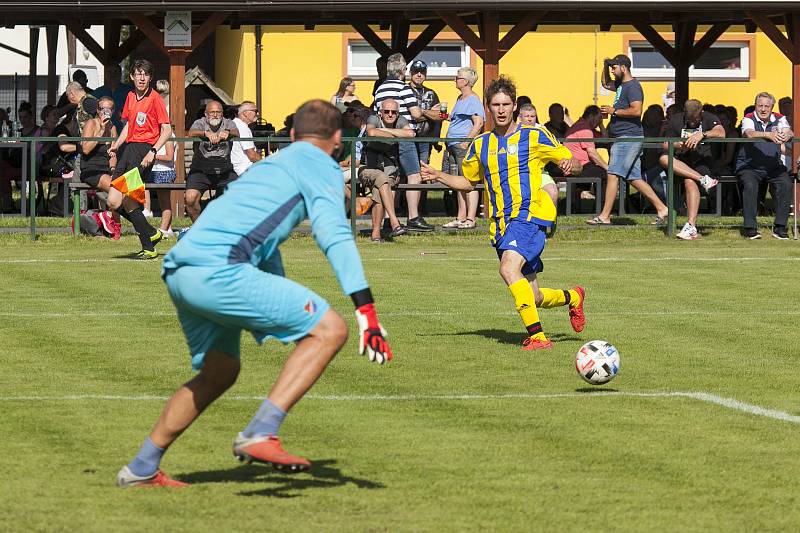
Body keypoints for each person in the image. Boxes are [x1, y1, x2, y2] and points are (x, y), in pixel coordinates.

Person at [116, 99, 393, 488]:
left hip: (181, 269)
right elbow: (335, 235)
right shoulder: (325, 168)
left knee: (220, 371)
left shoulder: (269, 165)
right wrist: (367, 313)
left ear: (293, 135)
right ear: (336, 140)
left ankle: (142, 467)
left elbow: (262, 243)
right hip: (220, 270)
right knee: (331, 330)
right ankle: (262, 432)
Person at [420, 77, 586, 351]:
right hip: (501, 224)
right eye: (495, 105)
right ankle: (573, 297)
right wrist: (438, 175)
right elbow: (468, 182)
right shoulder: (480, 144)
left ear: (514, 107)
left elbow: (574, 162)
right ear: (487, 107)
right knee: (534, 295)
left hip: (530, 215)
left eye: (506, 104)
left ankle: (537, 337)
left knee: (508, 268)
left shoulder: (534, 135)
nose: (500, 110)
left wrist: (571, 164)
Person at [589, 54, 669, 225]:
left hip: (628, 138)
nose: (612, 70)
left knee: (612, 173)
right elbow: (605, 83)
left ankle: (604, 216)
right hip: (622, 137)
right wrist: (605, 64)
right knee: (634, 178)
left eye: (614, 67)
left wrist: (614, 112)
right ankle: (662, 208)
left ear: (623, 68)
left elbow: (636, 111)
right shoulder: (620, 85)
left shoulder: (633, 87)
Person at [108, 59, 172, 260]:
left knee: (128, 201)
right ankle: (151, 234)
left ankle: (149, 245)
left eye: (146, 74)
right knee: (113, 201)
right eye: (138, 73)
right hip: (128, 151)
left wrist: (152, 151)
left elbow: (167, 130)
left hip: (143, 152)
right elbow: (129, 126)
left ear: (150, 78)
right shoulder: (129, 96)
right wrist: (117, 144)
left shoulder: (155, 99)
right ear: (132, 76)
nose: (142, 77)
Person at [373, 53, 442, 232]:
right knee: (414, 175)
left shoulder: (380, 89)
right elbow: (416, 114)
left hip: (386, 139)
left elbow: (376, 112)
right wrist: (427, 111)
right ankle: (413, 216)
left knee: (392, 177)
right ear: (403, 70)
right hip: (405, 136)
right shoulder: (404, 88)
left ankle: (390, 217)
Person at [659, 99, 725, 240]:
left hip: (702, 162)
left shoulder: (709, 118)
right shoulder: (676, 120)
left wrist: (702, 134)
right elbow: (665, 144)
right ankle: (703, 180)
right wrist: (677, 145)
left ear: (701, 113)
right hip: (681, 163)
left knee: (689, 181)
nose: (693, 122)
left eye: (695, 119)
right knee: (663, 158)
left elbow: (721, 132)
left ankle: (691, 226)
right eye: (690, 119)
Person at [736, 92, 794, 240]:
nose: (763, 109)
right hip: (749, 166)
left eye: (766, 106)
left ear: (772, 107)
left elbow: (788, 130)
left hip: (773, 166)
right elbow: (749, 133)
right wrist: (769, 135)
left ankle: (780, 227)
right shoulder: (748, 118)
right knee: (750, 185)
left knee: (786, 183)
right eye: (760, 105)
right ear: (755, 106)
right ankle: (750, 228)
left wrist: (787, 134)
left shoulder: (780, 118)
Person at [442, 66, 485, 229]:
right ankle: (461, 216)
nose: (455, 79)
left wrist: (466, 142)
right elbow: (455, 119)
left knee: (468, 181)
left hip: (462, 146)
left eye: (458, 77)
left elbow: (478, 122)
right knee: (457, 182)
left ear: (466, 81)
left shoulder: (473, 99)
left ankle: (471, 218)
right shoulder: (460, 98)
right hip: (453, 146)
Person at [362, 99, 410, 241]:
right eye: (386, 111)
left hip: (389, 166)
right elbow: (371, 132)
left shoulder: (401, 120)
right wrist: (396, 134)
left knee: (380, 187)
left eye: (393, 112)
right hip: (367, 166)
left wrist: (383, 131)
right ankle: (394, 222)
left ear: (398, 113)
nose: (390, 114)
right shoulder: (373, 118)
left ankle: (376, 234)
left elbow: (410, 134)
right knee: (382, 179)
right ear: (380, 112)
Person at [184, 100, 240, 222]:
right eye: (212, 112)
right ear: (206, 113)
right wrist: (205, 133)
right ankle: (199, 229)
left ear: (222, 114)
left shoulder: (228, 123)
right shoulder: (199, 123)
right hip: (200, 171)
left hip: (225, 171)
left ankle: (226, 227)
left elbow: (237, 133)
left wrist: (228, 132)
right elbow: (191, 133)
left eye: (218, 112)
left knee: (238, 195)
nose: (215, 115)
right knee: (190, 198)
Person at [77, 97, 122, 239]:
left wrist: (114, 168)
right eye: (103, 109)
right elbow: (85, 149)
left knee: (121, 187)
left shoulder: (113, 128)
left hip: (106, 170)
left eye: (109, 109)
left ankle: (114, 225)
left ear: (113, 111)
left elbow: (113, 155)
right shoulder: (91, 123)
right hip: (91, 169)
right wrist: (101, 130)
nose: (105, 112)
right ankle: (111, 222)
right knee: (116, 188)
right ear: (98, 110)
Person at [519, 103, 560, 206]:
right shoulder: (513, 131)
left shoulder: (542, 131)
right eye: (526, 116)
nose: (530, 119)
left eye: (532, 116)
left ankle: (551, 221)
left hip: (540, 172)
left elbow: (556, 148)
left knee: (553, 192)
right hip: (518, 173)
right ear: (520, 117)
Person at [92, 63, 133, 130]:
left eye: (115, 72)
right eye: (109, 72)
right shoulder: (98, 92)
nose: (112, 75)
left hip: (124, 132)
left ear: (120, 74)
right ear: (105, 75)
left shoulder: (129, 92)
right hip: (103, 132)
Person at [231, 101, 262, 177]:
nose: (257, 114)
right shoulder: (243, 127)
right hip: (245, 169)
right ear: (245, 113)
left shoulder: (234, 123)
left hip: (237, 168)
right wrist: (265, 162)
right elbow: (252, 155)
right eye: (255, 111)